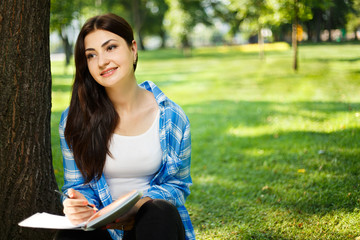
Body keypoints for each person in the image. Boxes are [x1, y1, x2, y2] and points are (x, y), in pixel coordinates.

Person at [56, 13, 195, 240]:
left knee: (160, 212)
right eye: (91, 55)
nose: (102, 61)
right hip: (100, 229)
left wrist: (137, 203)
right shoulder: (74, 119)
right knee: (72, 232)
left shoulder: (171, 116)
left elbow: (177, 185)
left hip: (149, 228)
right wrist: (76, 204)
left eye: (110, 48)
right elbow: (76, 185)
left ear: (133, 49)